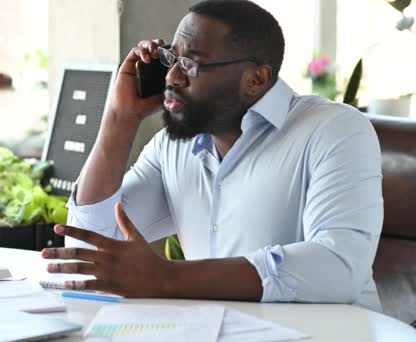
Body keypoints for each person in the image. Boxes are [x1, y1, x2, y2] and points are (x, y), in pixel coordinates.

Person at [41, 0, 383, 310]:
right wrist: (119, 119)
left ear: (256, 79)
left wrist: (167, 278)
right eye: (171, 59)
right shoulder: (171, 147)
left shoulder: (334, 130)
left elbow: (339, 265)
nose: (172, 77)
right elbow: (90, 247)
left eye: (190, 64)